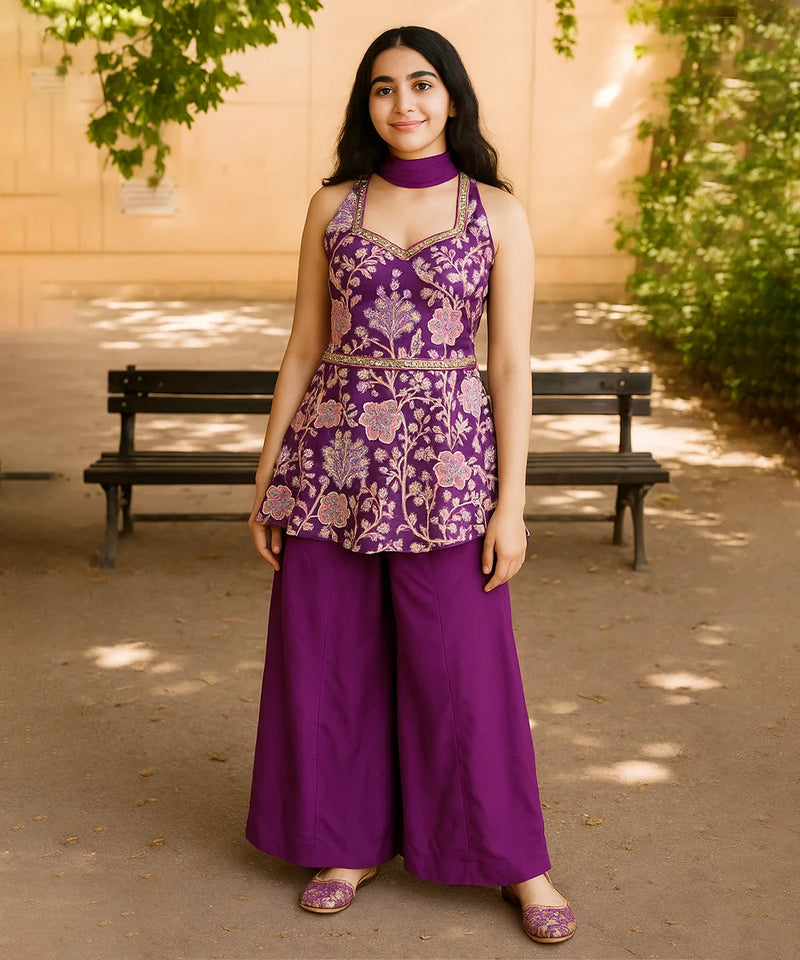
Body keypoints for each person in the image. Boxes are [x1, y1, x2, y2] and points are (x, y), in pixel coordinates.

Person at [245, 25, 576, 945]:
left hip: (451, 467)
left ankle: (517, 860)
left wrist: (512, 503)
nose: (405, 104)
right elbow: (304, 345)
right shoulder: (331, 206)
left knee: (464, 666)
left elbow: (509, 364)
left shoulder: (498, 213)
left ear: (453, 97)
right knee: (331, 659)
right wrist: (270, 475)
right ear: (368, 105)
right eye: (385, 88)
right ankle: (343, 844)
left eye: (423, 85)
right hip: (333, 465)